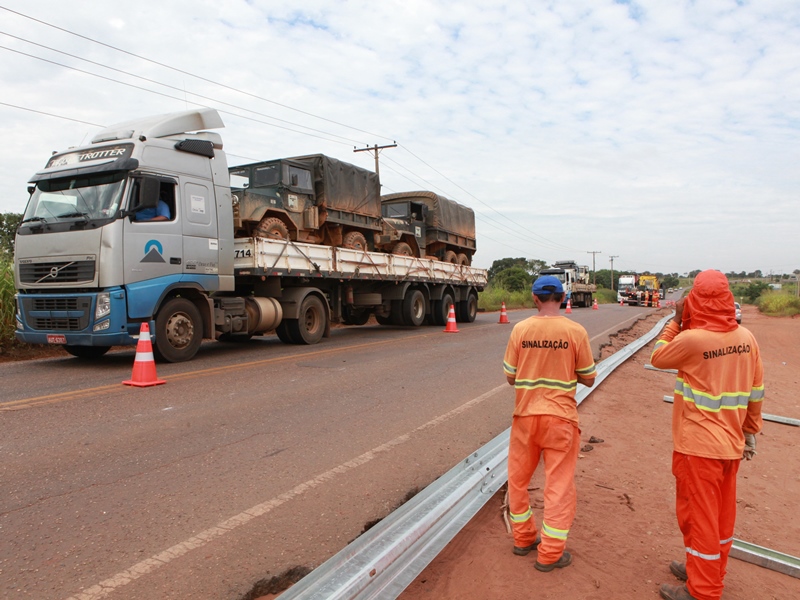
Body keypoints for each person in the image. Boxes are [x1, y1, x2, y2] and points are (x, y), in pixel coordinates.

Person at [650, 270, 764, 600]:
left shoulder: (692, 339)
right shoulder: (746, 338)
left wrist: (676, 320)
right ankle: (707, 570)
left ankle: (703, 591)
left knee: (698, 518)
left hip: (698, 448)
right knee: (721, 517)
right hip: (731, 445)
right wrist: (751, 431)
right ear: (729, 299)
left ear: (695, 300)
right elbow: (756, 392)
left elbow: (658, 355)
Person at [502, 275, 597, 572]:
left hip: (526, 417)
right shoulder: (575, 331)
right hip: (561, 419)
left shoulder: (521, 329)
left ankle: (523, 539)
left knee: (518, 482)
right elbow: (589, 376)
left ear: (535, 298)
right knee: (558, 485)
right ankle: (551, 554)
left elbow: (510, 376)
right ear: (563, 297)